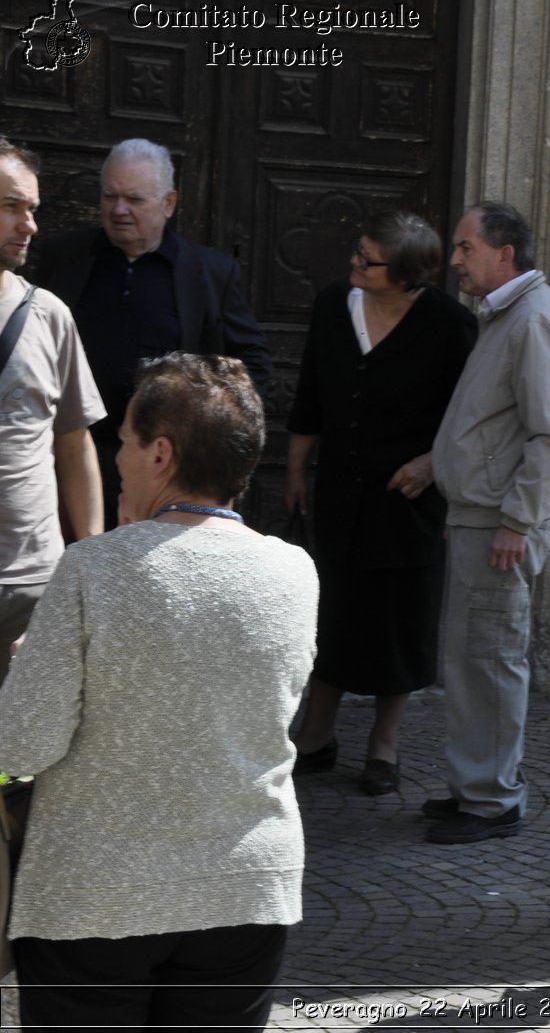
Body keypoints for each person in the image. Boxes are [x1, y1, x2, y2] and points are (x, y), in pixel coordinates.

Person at [0, 353, 318, 1029]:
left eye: (126, 441)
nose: (117, 456)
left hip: (95, 896)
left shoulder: (93, 568)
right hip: (244, 889)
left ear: (161, 453)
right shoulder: (295, 571)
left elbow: (22, 740)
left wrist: (33, 669)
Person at [285, 211, 476, 795]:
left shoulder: (450, 325)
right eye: (357, 253)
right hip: (342, 492)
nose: (355, 265)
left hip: (411, 498)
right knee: (332, 612)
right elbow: (311, 393)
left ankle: (384, 745)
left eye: (369, 260)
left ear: (409, 275)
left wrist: (433, 465)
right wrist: (297, 469)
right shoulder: (331, 305)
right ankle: (315, 735)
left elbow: (469, 416)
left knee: (402, 620)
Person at [421, 201, 550, 844]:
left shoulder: (534, 320)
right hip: (480, 517)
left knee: (488, 657)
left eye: (465, 248)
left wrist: (518, 518)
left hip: (498, 526)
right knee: (469, 656)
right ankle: (476, 787)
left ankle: (491, 800)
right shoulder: (508, 316)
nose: (455, 260)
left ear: (504, 254)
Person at [27, 137, 271, 521]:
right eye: (110, 197)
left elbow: (253, 363)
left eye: (135, 200)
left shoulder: (209, 273)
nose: (119, 210)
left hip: (164, 470)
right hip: (71, 456)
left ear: (168, 204)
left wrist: (208, 434)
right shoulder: (64, 256)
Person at [0, 137, 103, 686]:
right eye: (11, 207)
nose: (30, 225)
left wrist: (90, 567)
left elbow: (74, 444)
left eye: (32, 209)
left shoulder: (49, 317)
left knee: (18, 761)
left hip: (30, 582)